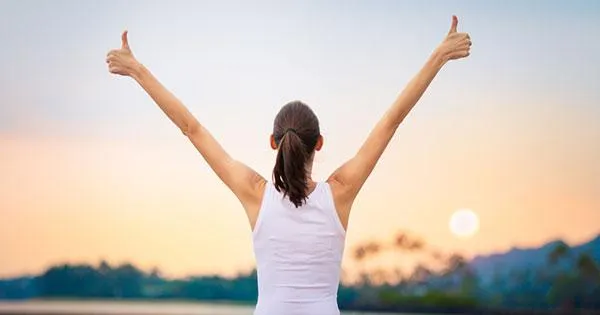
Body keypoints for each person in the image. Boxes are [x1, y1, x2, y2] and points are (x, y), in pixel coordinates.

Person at [106, 15, 471, 315]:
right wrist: (439, 56)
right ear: (319, 144)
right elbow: (392, 120)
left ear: (272, 143)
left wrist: (137, 70)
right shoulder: (340, 193)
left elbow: (191, 128)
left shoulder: (254, 194)